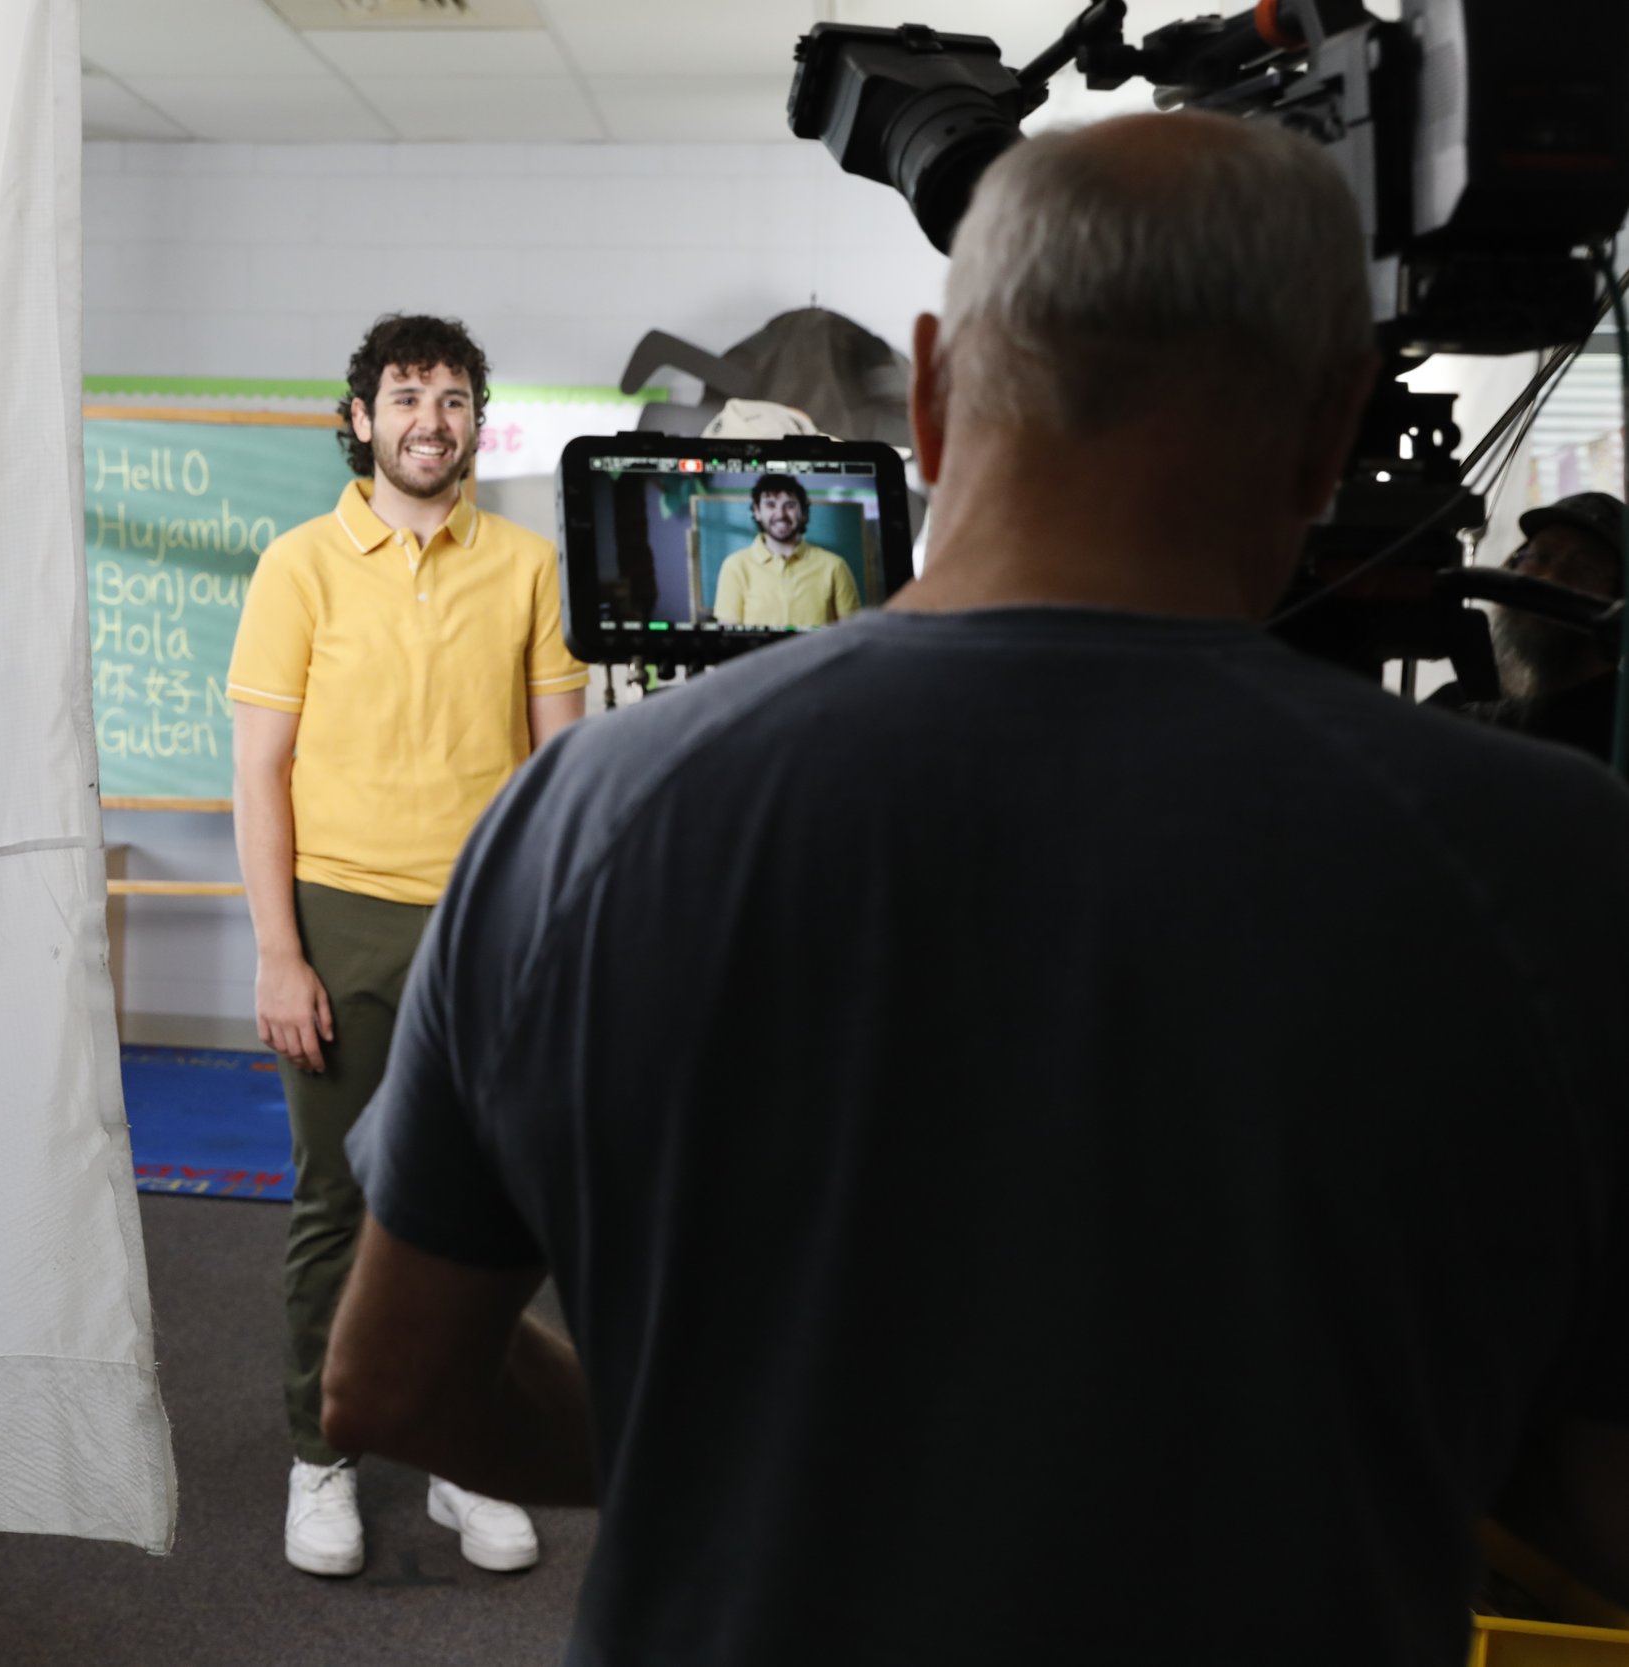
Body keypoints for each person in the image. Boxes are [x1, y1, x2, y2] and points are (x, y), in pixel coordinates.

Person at [321, 114, 1629, 1665]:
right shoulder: (1549, 856)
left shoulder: (577, 820)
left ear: (932, 393)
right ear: (1334, 420)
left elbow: (391, 1380)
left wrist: (733, 1436)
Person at [226, 312, 590, 1579]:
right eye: (405, 396)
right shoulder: (298, 567)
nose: (429, 420)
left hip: (488, 920)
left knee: (485, 1199)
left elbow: (557, 771)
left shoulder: (530, 566)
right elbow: (259, 772)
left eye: (452, 399)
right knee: (337, 1198)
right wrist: (279, 952)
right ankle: (318, 1452)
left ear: (476, 422)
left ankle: (461, 1453)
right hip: (339, 915)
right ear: (361, 418)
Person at [1477, 492, 1624, 760]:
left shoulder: (1619, 734)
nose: (1550, 578)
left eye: (1584, 568)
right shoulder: (1460, 704)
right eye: (1539, 558)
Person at [710, 473, 859, 627]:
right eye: (770, 505)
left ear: (803, 513)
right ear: (757, 511)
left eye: (790, 505)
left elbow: (852, 633)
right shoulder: (735, 566)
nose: (780, 514)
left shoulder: (835, 566)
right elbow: (729, 634)